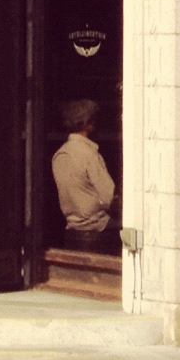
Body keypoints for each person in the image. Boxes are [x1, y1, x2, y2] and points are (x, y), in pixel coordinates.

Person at [51, 97, 117, 251]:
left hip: (72, 230)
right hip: (98, 230)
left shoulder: (59, 155)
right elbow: (108, 197)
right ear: (88, 124)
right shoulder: (90, 154)